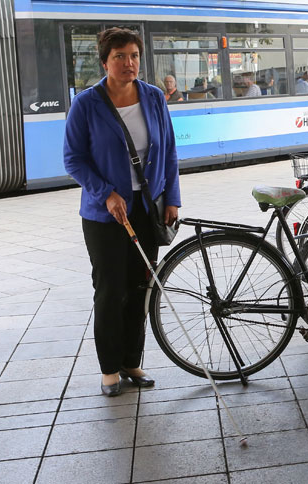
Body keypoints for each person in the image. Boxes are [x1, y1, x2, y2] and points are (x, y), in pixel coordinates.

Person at [63, 27, 181, 397]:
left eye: (133, 55)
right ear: (104, 61)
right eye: (119, 57)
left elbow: (170, 153)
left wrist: (172, 198)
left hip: (148, 210)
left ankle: (132, 360)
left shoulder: (154, 98)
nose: (128, 63)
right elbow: (73, 159)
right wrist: (106, 193)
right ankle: (109, 369)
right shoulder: (87, 103)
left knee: (141, 288)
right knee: (111, 291)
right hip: (105, 216)